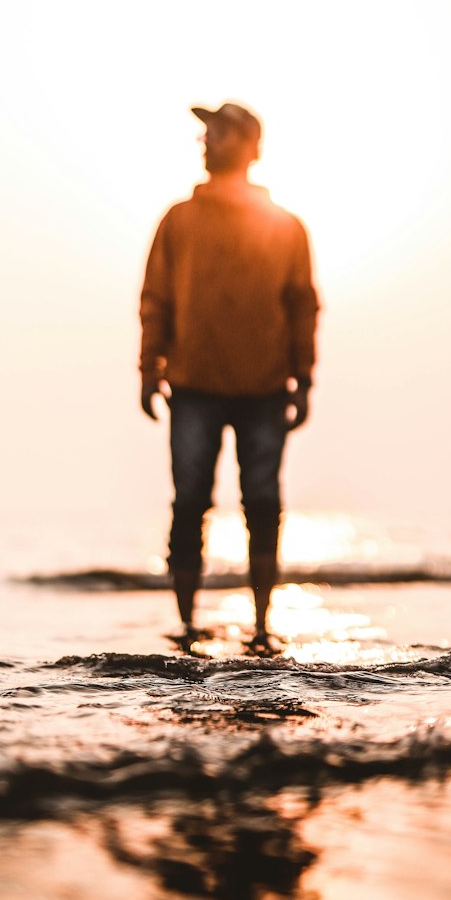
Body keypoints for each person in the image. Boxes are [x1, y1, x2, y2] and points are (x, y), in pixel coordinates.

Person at [139, 102, 320, 648]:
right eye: (204, 131)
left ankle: (263, 624)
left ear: (247, 146)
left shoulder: (285, 226)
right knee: (190, 503)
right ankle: (187, 622)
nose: (204, 139)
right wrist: (150, 369)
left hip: (264, 388)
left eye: (216, 132)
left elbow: (302, 305)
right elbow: (156, 300)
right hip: (192, 385)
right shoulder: (179, 219)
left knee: (261, 504)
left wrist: (304, 378)